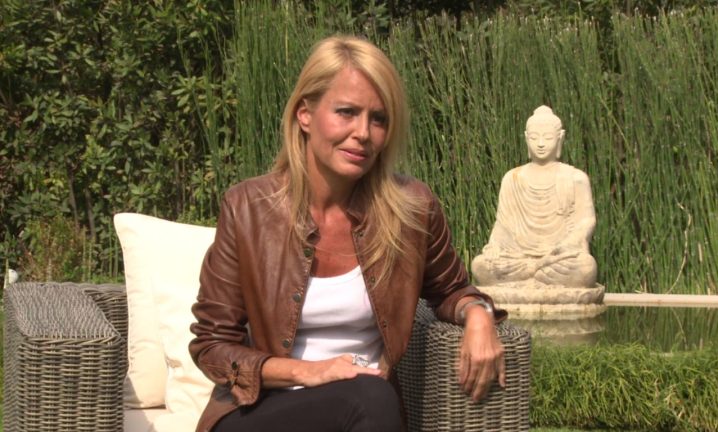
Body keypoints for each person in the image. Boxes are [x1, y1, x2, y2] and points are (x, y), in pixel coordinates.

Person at [189, 35, 507, 432]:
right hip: (261, 410)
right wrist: (309, 372)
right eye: (346, 112)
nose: (363, 133)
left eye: (379, 119)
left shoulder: (411, 208)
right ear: (305, 115)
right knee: (370, 396)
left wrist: (479, 315)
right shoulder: (248, 207)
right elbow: (212, 345)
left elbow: (451, 290)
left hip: (366, 412)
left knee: (370, 398)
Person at [471, 105, 598, 289]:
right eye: (534, 137)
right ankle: (534, 273)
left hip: (557, 258)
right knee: (480, 265)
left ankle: (529, 276)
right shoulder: (512, 178)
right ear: (526, 138)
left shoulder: (575, 178)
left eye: (548, 138)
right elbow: (503, 225)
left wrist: (569, 244)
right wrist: (495, 246)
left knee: (586, 267)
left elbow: (586, 221)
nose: (540, 143)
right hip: (518, 258)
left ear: (560, 138)